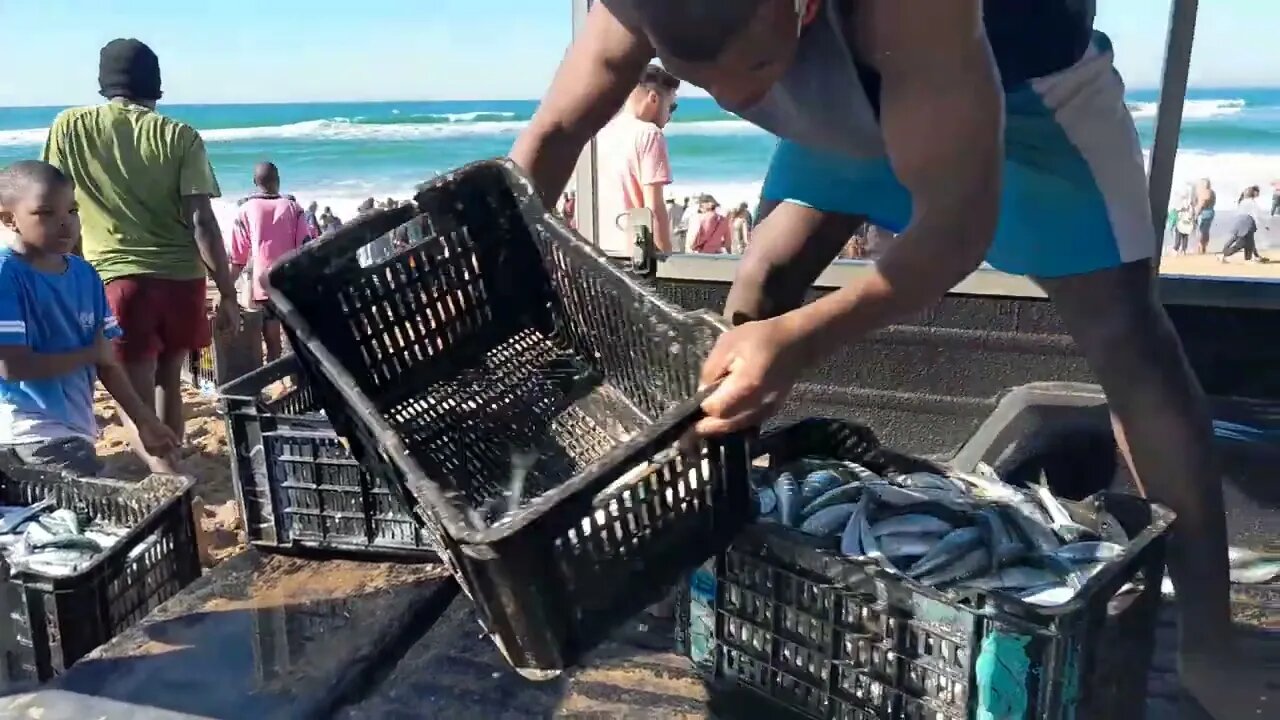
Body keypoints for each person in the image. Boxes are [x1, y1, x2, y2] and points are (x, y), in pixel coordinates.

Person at [509, 1, 1264, 715]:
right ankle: (721, 539)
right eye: (701, 82)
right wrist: (496, 267)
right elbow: (547, 140)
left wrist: (802, 341)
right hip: (845, 89)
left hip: (1023, 83)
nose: (737, 100)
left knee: (1129, 337)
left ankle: (1208, 645)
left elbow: (960, 226)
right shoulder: (636, 8)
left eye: (755, 64)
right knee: (763, 279)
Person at [41, 38, 238, 460]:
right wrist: (227, 291)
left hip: (116, 278)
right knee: (171, 376)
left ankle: (165, 475)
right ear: (156, 87)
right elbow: (202, 221)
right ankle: (172, 458)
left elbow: (55, 207)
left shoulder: (70, 127)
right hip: (183, 279)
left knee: (134, 390)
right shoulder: (180, 136)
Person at [0, 162, 179, 475]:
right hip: (29, 434)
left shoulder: (85, 275)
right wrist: (88, 354)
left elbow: (107, 362)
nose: (65, 224)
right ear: (9, 219)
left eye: (72, 210)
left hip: (75, 430)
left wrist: (145, 420)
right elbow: (12, 366)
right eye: (46, 213)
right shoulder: (7, 275)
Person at [594, 64, 678, 258]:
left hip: (600, 248)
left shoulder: (601, 132)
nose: (670, 115)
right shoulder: (649, 134)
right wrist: (667, 258)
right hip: (635, 254)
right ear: (653, 98)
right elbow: (653, 207)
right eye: (671, 106)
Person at [229, 163, 310, 361]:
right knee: (296, 336)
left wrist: (226, 289)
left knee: (272, 340)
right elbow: (306, 246)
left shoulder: (245, 210)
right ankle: (298, 377)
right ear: (278, 180)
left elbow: (238, 257)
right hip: (291, 282)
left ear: (255, 182)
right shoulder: (294, 207)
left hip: (264, 283)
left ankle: (275, 374)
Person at [1221, 186, 1271, 263]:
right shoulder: (1251, 202)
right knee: (1243, 243)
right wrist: (1265, 225)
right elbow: (1257, 215)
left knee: (1247, 240)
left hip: (1238, 222)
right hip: (1247, 223)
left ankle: (1255, 256)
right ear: (1254, 193)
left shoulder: (1242, 201)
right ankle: (1227, 254)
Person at [1193, 177, 1216, 254]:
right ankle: (1203, 246)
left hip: (1205, 212)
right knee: (1205, 230)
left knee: (1202, 230)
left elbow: (1201, 204)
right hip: (1210, 212)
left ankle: (1201, 246)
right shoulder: (1212, 192)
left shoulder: (1205, 192)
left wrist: (1196, 214)